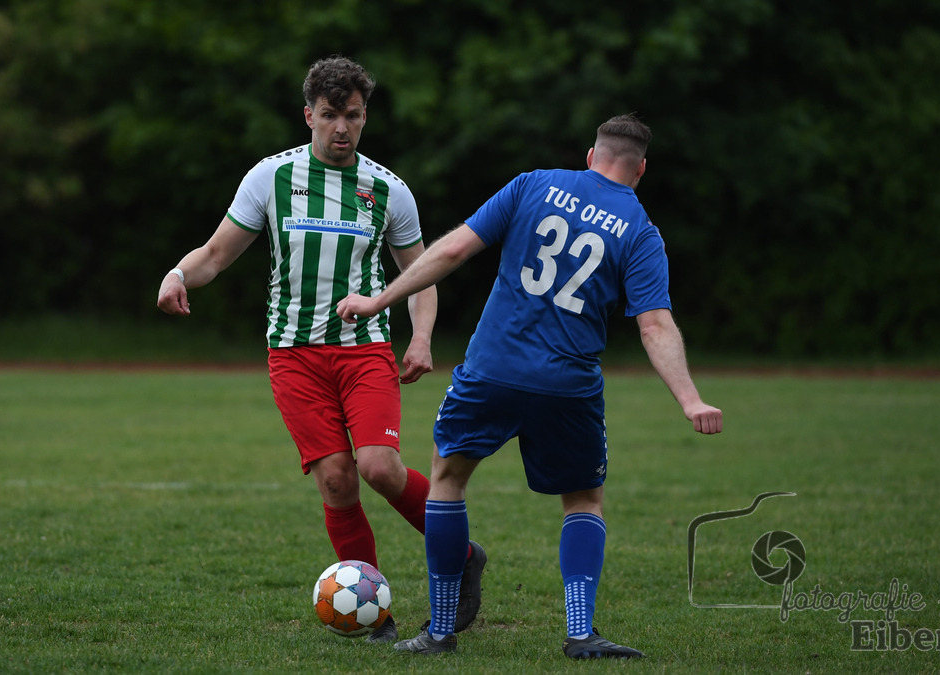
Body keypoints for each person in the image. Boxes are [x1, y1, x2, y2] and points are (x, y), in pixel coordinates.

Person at [336, 113, 723, 658]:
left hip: (492, 369)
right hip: (569, 385)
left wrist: (378, 301)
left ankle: (441, 631)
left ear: (591, 155)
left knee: (448, 478)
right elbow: (654, 324)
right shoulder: (640, 231)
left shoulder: (534, 183)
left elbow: (451, 251)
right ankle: (580, 633)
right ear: (640, 171)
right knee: (583, 499)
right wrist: (690, 399)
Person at [156, 55, 485, 643]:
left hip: (365, 353)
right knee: (337, 480)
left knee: (378, 468)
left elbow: (422, 275)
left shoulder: (388, 191)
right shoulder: (271, 178)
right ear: (308, 115)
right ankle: (375, 612)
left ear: (365, 119)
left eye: (352, 116)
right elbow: (214, 254)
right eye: (329, 115)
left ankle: (460, 556)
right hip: (293, 356)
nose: (341, 127)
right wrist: (177, 274)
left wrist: (423, 339)